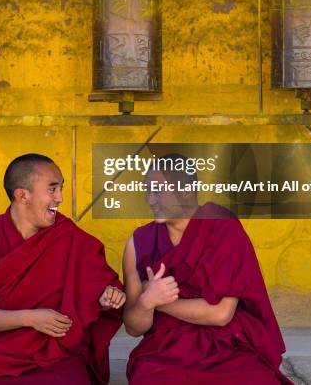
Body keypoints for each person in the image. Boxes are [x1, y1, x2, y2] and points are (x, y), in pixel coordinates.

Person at [0, 153, 126, 384]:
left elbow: (96, 289)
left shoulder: (68, 237)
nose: (60, 197)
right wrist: (30, 318)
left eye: (61, 188)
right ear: (22, 195)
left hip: (56, 351)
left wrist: (105, 297)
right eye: (52, 189)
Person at [123, 154, 293, 384]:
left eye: (157, 191)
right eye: (148, 191)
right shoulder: (139, 243)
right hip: (165, 347)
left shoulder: (223, 228)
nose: (150, 199)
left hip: (225, 344)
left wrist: (159, 301)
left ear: (185, 191)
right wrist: (145, 302)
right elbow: (133, 327)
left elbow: (221, 314)